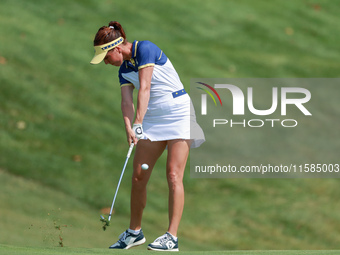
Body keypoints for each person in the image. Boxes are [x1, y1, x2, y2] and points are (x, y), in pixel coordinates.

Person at [90, 21, 204, 251]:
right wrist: (129, 127)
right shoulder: (123, 69)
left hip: (178, 113)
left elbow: (145, 88)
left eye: (105, 57)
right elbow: (126, 101)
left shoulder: (146, 49)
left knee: (173, 174)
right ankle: (134, 232)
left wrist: (139, 122)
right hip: (152, 118)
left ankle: (171, 237)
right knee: (138, 177)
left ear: (116, 49)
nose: (105, 63)